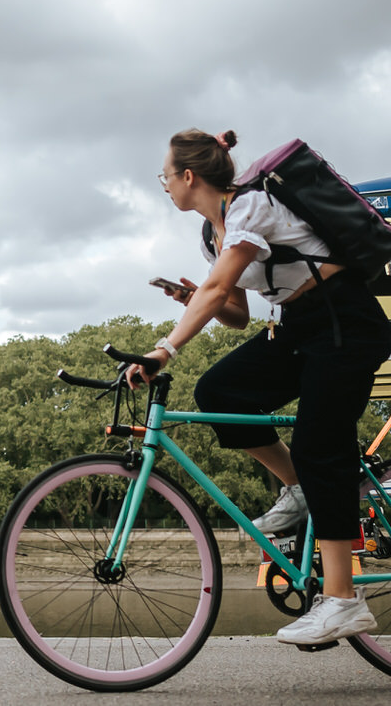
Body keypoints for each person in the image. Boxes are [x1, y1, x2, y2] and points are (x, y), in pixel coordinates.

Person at [129, 128, 391, 645]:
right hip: (296, 326)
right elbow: (236, 312)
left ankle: (341, 599)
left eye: (165, 175)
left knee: (323, 444)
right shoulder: (213, 234)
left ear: (188, 176)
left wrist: (165, 348)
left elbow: (221, 287)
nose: (164, 185)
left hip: (344, 320)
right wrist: (194, 299)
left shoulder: (250, 207)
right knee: (221, 394)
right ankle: (299, 486)